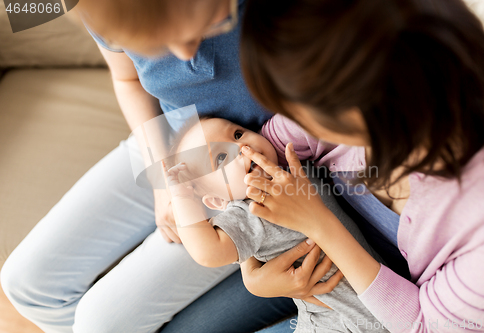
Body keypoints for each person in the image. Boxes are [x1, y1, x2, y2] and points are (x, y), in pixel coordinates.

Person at [0, 0, 299, 332]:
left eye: (204, 28)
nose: (183, 54)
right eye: (156, 43)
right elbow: (126, 79)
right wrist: (162, 177)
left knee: (101, 325)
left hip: (255, 169)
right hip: (172, 134)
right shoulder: (98, 7)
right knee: (27, 286)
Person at [235, 0, 484, 332]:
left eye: (299, 109)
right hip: (313, 276)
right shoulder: (362, 72)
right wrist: (250, 267)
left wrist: (322, 225)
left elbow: (425, 326)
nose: (292, 118)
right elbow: (265, 149)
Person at [163, 116, 387, 332]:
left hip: (379, 297)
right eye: (221, 158)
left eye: (238, 134)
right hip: (333, 321)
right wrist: (182, 198)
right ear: (217, 200)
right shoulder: (249, 211)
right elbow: (208, 253)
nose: (242, 147)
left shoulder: (292, 166)